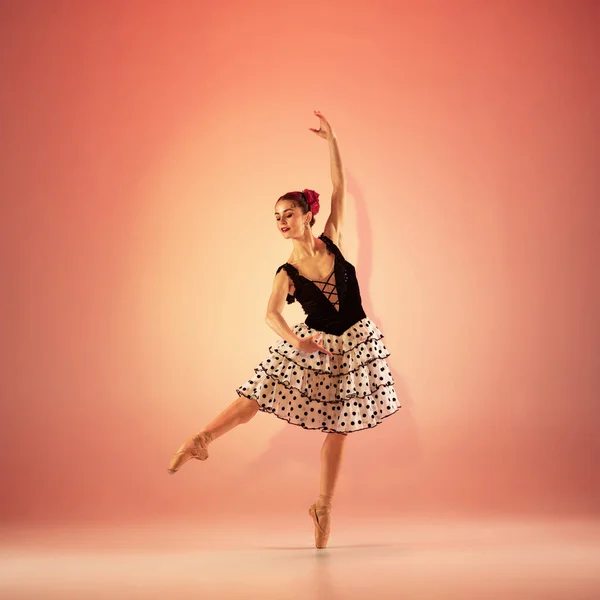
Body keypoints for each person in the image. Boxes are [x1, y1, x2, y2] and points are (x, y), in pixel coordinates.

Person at [168, 110, 401, 549]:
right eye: (276, 217)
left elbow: (340, 187)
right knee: (257, 395)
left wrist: (332, 140)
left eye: (288, 213)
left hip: (354, 344)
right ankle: (200, 439)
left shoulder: (334, 237)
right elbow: (271, 314)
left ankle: (322, 506)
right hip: (315, 343)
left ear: (306, 216)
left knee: (340, 425)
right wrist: (299, 341)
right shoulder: (287, 271)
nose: (281, 221)